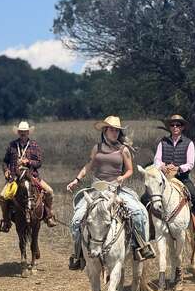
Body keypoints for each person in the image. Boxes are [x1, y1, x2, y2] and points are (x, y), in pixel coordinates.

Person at [66, 115, 156, 270]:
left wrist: (122, 177)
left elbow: (130, 170)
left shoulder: (124, 149)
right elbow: (89, 165)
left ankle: (139, 247)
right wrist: (76, 180)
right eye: (112, 130)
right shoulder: (97, 148)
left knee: (138, 213)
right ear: (105, 131)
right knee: (76, 221)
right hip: (97, 188)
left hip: (115, 189)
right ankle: (78, 255)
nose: (114, 133)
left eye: (117, 130)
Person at [153, 114, 195, 241]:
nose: (175, 127)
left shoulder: (188, 143)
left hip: (182, 178)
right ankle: (150, 230)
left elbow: (190, 164)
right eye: (172, 125)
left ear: (182, 127)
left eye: (178, 125)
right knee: (146, 198)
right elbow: (156, 159)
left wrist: (178, 168)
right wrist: (163, 166)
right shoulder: (163, 142)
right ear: (169, 127)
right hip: (164, 179)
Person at [0, 121, 57, 232]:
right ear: (18, 132)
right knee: (2, 197)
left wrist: (28, 162)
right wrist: (6, 170)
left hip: (32, 176)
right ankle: (6, 221)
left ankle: (48, 216)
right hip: (14, 178)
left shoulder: (34, 145)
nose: (23, 133)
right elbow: (5, 161)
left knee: (49, 191)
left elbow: (39, 163)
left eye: (25, 132)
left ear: (28, 132)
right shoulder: (12, 145)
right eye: (21, 131)